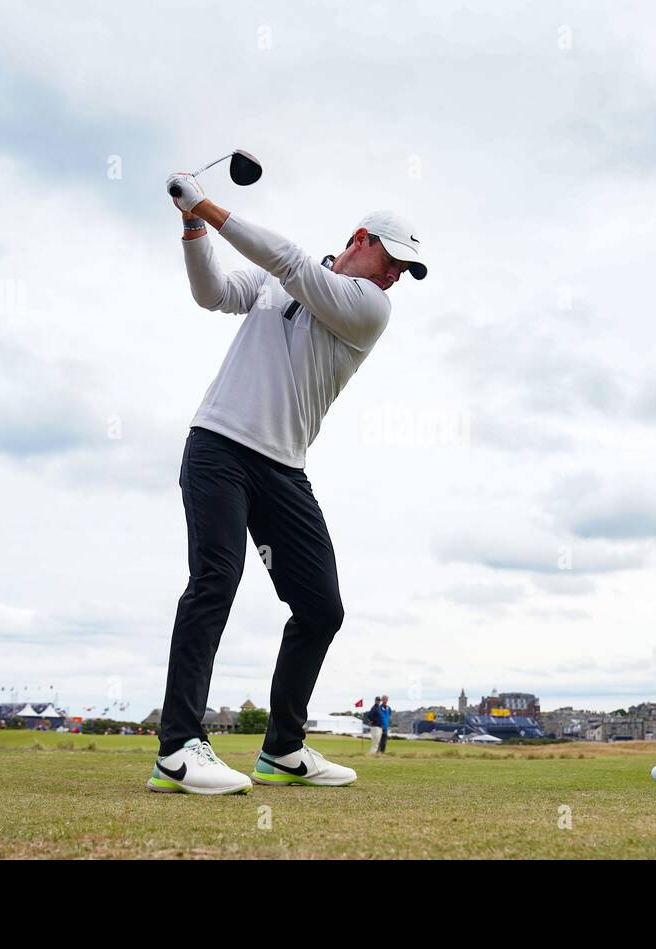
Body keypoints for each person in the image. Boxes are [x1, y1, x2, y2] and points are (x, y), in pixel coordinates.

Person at [147, 171, 427, 795]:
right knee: (214, 581)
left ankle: (282, 749)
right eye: (394, 261)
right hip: (218, 445)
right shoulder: (282, 283)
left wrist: (208, 204)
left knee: (321, 608)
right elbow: (213, 293)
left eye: (407, 272)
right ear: (361, 238)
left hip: (284, 469)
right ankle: (177, 748)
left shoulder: (369, 308)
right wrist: (193, 229)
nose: (396, 277)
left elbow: (297, 265)